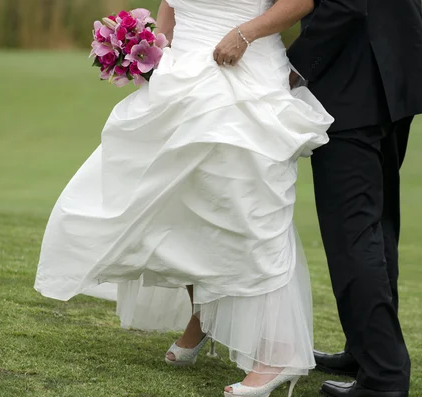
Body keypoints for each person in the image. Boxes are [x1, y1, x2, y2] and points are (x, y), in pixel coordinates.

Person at [34, 0, 333, 396]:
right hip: (183, 74)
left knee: (246, 206)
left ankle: (278, 354)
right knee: (179, 198)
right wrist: (158, 44)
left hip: (242, 69)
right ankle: (202, 319)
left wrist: (245, 34)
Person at [286, 1, 422, 396]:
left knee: (352, 231)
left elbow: (345, 2)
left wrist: (298, 65)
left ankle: (384, 376)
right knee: (377, 222)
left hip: (351, 79)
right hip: (393, 70)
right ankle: (366, 350)